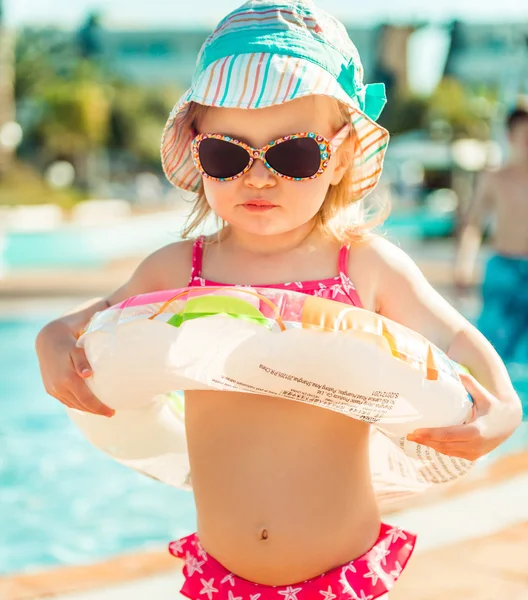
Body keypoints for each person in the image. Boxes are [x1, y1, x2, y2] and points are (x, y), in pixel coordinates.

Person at [36, 2, 522, 598]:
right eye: (227, 154)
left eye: (293, 155)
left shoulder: (362, 264)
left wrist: (504, 409)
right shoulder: (178, 267)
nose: (258, 178)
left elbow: (454, 340)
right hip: (220, 575)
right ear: (196, 151)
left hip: (341, 575)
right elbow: (88, 326)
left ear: (341, 154)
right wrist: (52, 336)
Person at [455, 106, 528, 363]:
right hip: (503, 269)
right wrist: (464, 264)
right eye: (524, 136)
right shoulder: (495, 179)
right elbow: (473, 225)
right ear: (510, 137)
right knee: (492, 350)